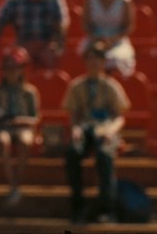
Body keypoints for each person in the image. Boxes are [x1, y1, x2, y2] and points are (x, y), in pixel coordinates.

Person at [63, 41, 130, 224]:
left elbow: (119, 116)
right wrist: (75, 129)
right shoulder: (76, 86)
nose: (93, 64)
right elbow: (74, 116)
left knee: (104, 156)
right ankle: (78, 205)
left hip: (105, 129)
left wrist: (110, 131)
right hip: (85, 128)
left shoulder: (111, 86)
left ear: (103, 62)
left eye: (97, 60)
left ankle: (106, 208)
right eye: (90, 59)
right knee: (72, 153)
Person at [0, 47, 40, 208]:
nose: (10, 72)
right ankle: (12, 185)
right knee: (3, 141)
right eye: (7, 69)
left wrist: (19, 120)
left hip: (23, 127)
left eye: (14, 68)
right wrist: (0, 118)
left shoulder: (30, 92)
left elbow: (35, 118)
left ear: (21, 70)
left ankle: (17, 183)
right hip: (3, 127)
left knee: (25, 141)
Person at [80, 0, 136, 77]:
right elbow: (86, 25)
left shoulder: (125, 0)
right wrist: (97, 39)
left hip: (117, 41)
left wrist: (111, 40)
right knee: (89, 56)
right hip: (94, 39)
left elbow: (128, 27)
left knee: (115, 59)